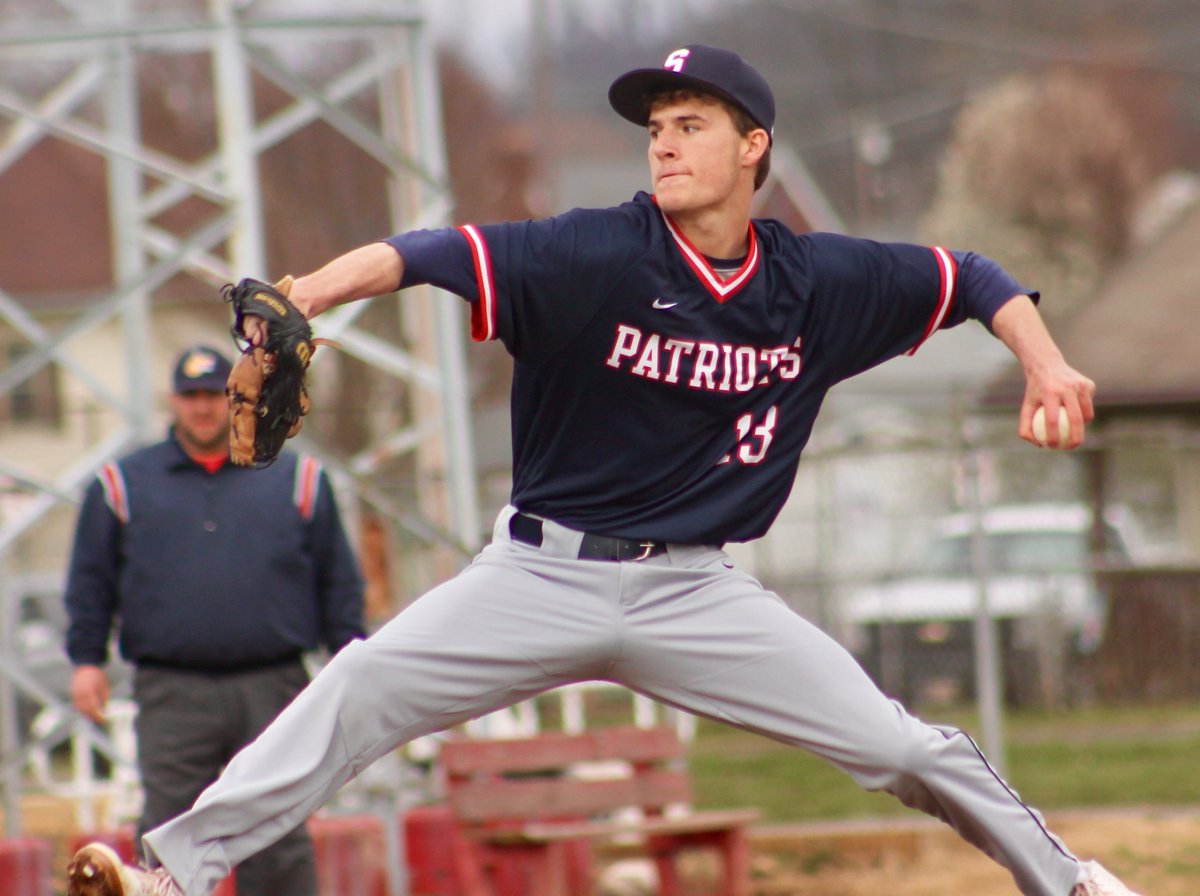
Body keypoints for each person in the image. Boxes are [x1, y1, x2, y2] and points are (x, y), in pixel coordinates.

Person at [68, 46, 1138, 896]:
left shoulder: (817, 283)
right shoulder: (591, 251)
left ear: (753, 146)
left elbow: (974, 276)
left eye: (690, 126)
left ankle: (1071, 880)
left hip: (697, 592)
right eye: (655, 129)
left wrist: (1045, 359)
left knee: (904, 743)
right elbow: (427, 250)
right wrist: (307, 295)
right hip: (539, 575)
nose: (663, 145)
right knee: (358, 687)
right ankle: (171, 868)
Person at [64, 344, 365, 896]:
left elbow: (337, 580)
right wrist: (86, 659)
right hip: (172, 691)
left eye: (215, 396)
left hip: (275, 687)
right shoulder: (121, 484)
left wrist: (353, 655)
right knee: (167, 832)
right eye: (191, 396)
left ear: (236, 399)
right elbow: (91, 579)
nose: (203, 409)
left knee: (277, 830)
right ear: (173, 402)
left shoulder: (295, 479)